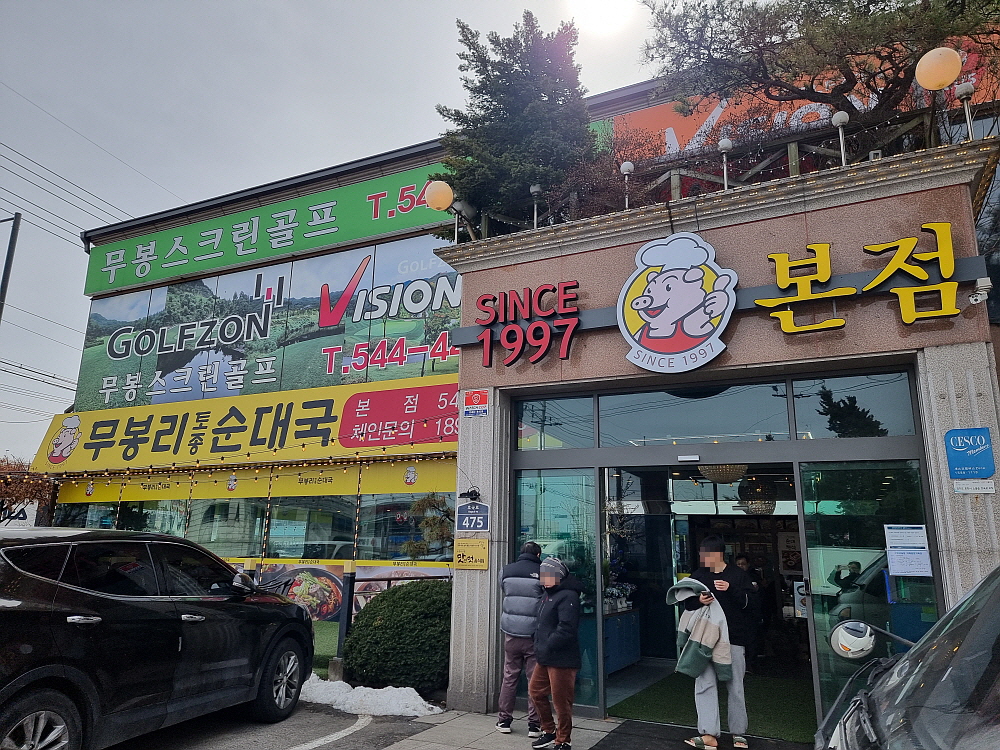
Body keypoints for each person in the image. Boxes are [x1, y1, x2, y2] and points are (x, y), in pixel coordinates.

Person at [684, 536, 754, 750]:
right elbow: (686, 601)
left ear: (718, 554)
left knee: (735, 685)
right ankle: (708, 734)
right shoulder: (699, 575)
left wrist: (731, 589)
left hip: (733, 638)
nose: (702, 557)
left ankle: (738, 733)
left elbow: (751, 604)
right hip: (704, 639)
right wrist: (698, 600)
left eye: (705, 554)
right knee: (704, 684)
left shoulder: (738, 575)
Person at [528, 557, 583, 750]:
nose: (544, 578)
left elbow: (567, 629)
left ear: (558, 575)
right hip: (545, 656)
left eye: (548, 574)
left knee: (561, 702)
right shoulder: (546, 595)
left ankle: (564, 740)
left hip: (562, 659)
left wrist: (548, 643)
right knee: (535, 692)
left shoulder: (568, 596)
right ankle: (549, 731)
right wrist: (537, 640)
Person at [496, 541, 544, 737]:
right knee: (535, 679)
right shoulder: (543, 572)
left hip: (511, 632)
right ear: (538, 554)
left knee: (510, 676)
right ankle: (534, 725)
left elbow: (504, 590)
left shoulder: (506, 571)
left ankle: (504, 720)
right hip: (534, 633)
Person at [735, 554, 763, 671]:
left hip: (751, 612)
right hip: (738, 613)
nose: (741, 566)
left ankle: (750, 663)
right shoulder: (733, 576)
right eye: (738, 564)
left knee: (751, 638)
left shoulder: (753, 576)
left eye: (743, 564)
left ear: (748, 564)